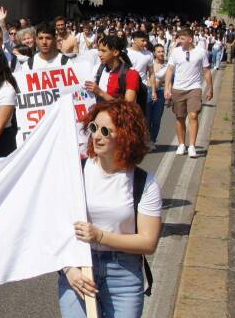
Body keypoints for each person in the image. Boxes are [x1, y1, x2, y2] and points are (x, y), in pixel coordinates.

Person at [59, 100, 162, 318]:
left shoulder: (144, 183)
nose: (96, 136)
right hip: (79, 269)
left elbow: (148, 242)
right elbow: (54, 226)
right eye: (94, 128)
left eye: (106, 131)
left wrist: (100, 236)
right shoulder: (76, 172)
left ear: (126, 136)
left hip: (123, 274)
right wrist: (68, 270)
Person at [165, 28, 213, 158]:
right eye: (179, 38)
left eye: (181, 38)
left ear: (190, 39)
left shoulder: (201, 52)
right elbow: (170, 69)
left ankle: (191, 145)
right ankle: (181, 144)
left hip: (194, 88)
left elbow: (207, 71)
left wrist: (210, 88)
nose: (179, 41)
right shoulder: (175, 52)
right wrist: (167, 87)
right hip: (178, 88)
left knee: (193, 115)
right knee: (180, 117)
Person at [86, 35, 139, 104]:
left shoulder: (131, 73)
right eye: (99, 50)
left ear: (115, 52)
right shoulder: (97, 69)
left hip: (117, 114)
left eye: (103, 51)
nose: (99, 54)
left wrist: (100, 92)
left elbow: (128, 105)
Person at [147, 44, 168, 151]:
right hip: (149, 91)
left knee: (156, 120)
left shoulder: (167, 65)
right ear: (154, 53)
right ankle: (145, 140)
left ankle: (152, 140)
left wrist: (169, 95)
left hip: (160, 93)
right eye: (159, 51)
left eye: (162, 51)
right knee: (147, 119)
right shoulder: (150, 64)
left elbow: (170, 81)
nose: (161, 53)